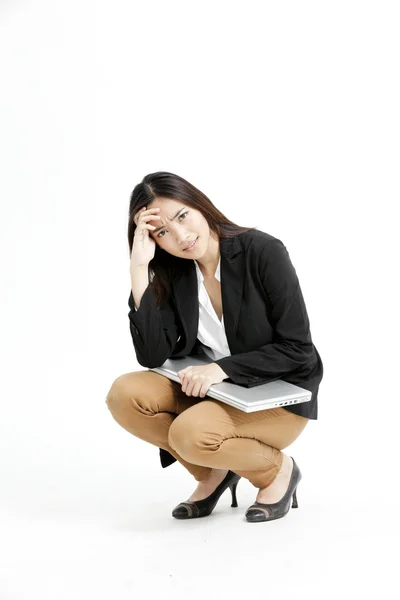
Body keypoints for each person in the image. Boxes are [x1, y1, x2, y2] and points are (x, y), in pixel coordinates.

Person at [105, 171, 324, 523]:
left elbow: (298, 349)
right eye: (162, 232)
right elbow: (151, 355)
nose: (181, 236)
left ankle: (278, 472)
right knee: (125, 394)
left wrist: (221, 368)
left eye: (182, 216)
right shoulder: (175, 270)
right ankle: (213, 473)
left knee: (189, 433)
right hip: (215, 393)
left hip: (277, 395)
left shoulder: (262, 251)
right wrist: (139, 268)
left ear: (199, 205)